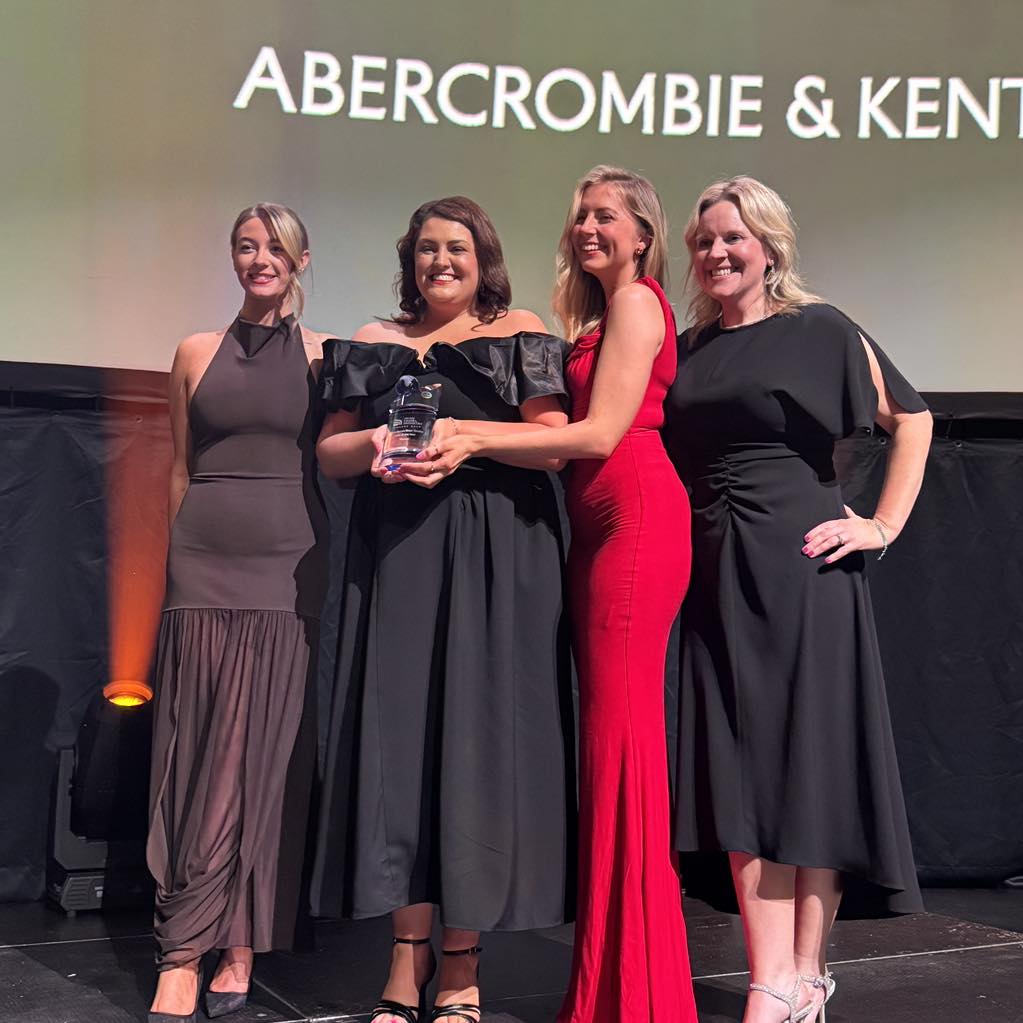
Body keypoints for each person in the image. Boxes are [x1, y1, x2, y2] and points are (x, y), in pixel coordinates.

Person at [424, 166, 698, 1023]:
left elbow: (599, 433)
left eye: (605, 216)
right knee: (610, 748)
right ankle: (617, 980)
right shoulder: (602, 313)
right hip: (598, 531)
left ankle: (638, 992)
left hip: (634, 522)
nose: (587, 228)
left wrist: (468, 434)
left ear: (643, 234)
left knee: (622, 748)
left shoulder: (637, 303)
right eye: (580, 215)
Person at [664, 176, 932, 1023]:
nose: (715, 252)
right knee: (738, 770)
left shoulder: (819, 328)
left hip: (804, 566)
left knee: (809, 764)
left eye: (731, 237)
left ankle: (804, 976)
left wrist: (880, 525)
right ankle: (769, 973)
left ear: (768, 245)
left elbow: (911, 418)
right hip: (714, 570)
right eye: (703, 240)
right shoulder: (689, 346)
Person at [311, 196, 575, 1023]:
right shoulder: (374, 340)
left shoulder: (519, 331)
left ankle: (460, 963)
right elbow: (330, 452)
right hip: (399, 553)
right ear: (409, 260)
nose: (440, 262)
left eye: (456, 247)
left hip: (497, 552)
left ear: (482, 257)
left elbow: (555, 442)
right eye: (426, 248)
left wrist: (465, 437)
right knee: (400, 746)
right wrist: (376, 443)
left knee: (473, 746)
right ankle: (405, 951)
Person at [147, 204, 330, 1022]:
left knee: (262, 754)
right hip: (204, 563)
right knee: (197, 751)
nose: (261, 258)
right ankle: (182, 948)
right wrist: (174, 563)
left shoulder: (325, 356)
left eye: (275, 247)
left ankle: (242, 941)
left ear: (300, 259)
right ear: (233, 257)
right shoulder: (194, 350)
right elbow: (181, 468)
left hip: (288, 563)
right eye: (246, 246)